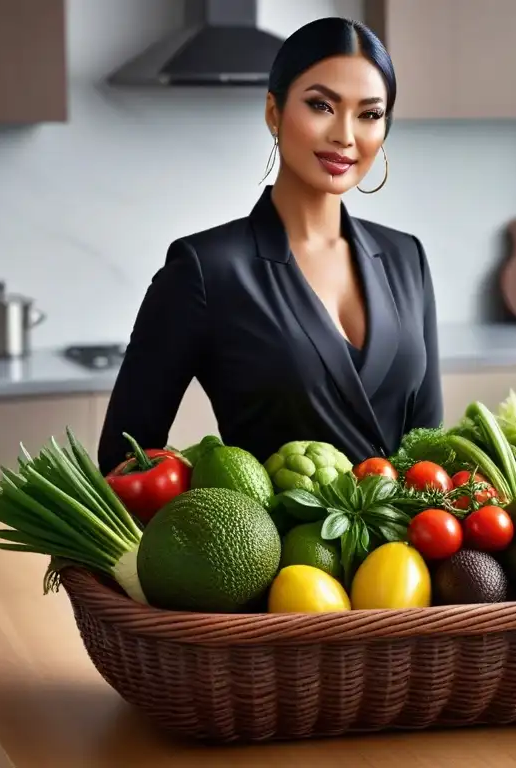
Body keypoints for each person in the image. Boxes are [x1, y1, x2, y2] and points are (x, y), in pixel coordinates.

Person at [97, 17, 443, 475]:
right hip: (273, 547)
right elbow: (125, 459)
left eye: (370, 114)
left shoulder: (407, 258)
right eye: (321, 105)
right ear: (273, 111)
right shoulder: (204, 270)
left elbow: (430, 446)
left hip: (410, 547)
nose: (345, 134)